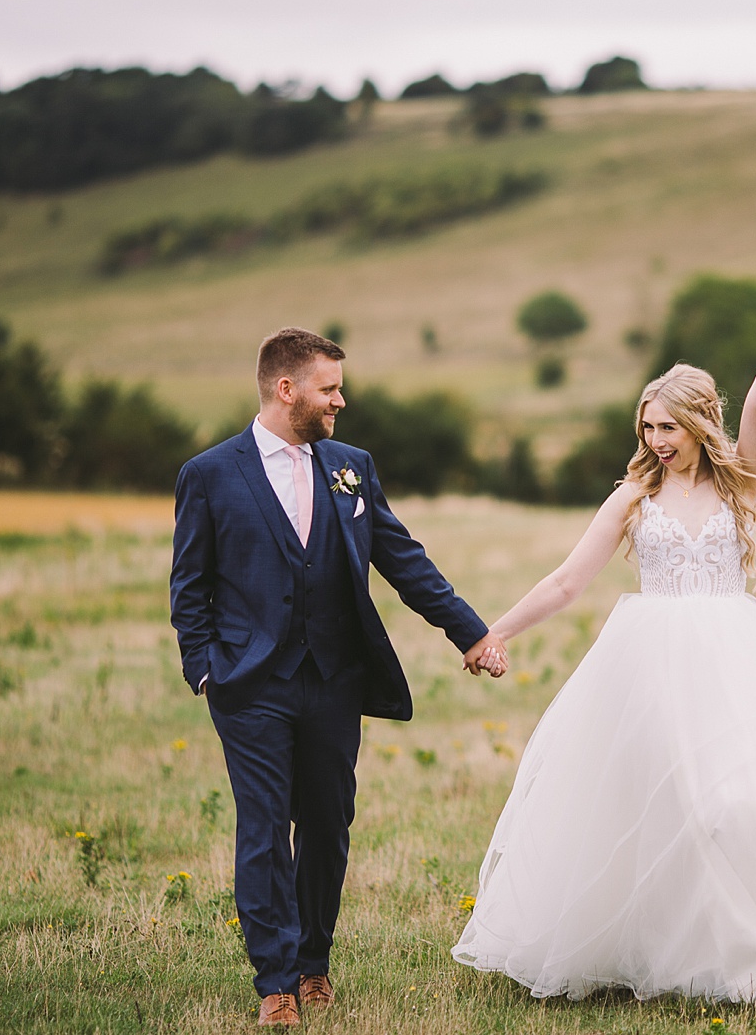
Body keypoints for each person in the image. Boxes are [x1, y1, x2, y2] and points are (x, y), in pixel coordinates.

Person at [452, 288, 756, 1009]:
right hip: (650, 665)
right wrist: (497, 631)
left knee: (740, 809)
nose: (657, 439)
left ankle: (755, 959)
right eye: (647, 427)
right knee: (666, 811)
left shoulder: (740, 489)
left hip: (734, 663)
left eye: (669, 425)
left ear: (702, 424)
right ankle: (653, 951)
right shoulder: (634, 497)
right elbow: (569, 580)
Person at [170, 328, 507, 1027]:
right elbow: (189, 586)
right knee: (263, 827)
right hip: (249, 685)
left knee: (326, 823)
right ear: (285, 389)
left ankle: (313, 962)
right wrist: (206, 671)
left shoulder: (350, 466)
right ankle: (274, 984)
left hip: (333, 680)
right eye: (329, 388)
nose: (340, 401)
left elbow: (403, 558)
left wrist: (470, 631)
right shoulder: (209, 474)